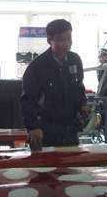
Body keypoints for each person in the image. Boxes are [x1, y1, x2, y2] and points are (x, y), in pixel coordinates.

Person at [21, 19, 86, 150]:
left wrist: (83, 105)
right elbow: (28, 100)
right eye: (61, 39)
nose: (66, 43)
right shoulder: (37, 66)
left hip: (70, 128)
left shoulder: (75, 60)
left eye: (69, 38)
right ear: (49, 40)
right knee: (47, 163)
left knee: (72, 161)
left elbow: (79, 88)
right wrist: (33, 127)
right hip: (45, 130)